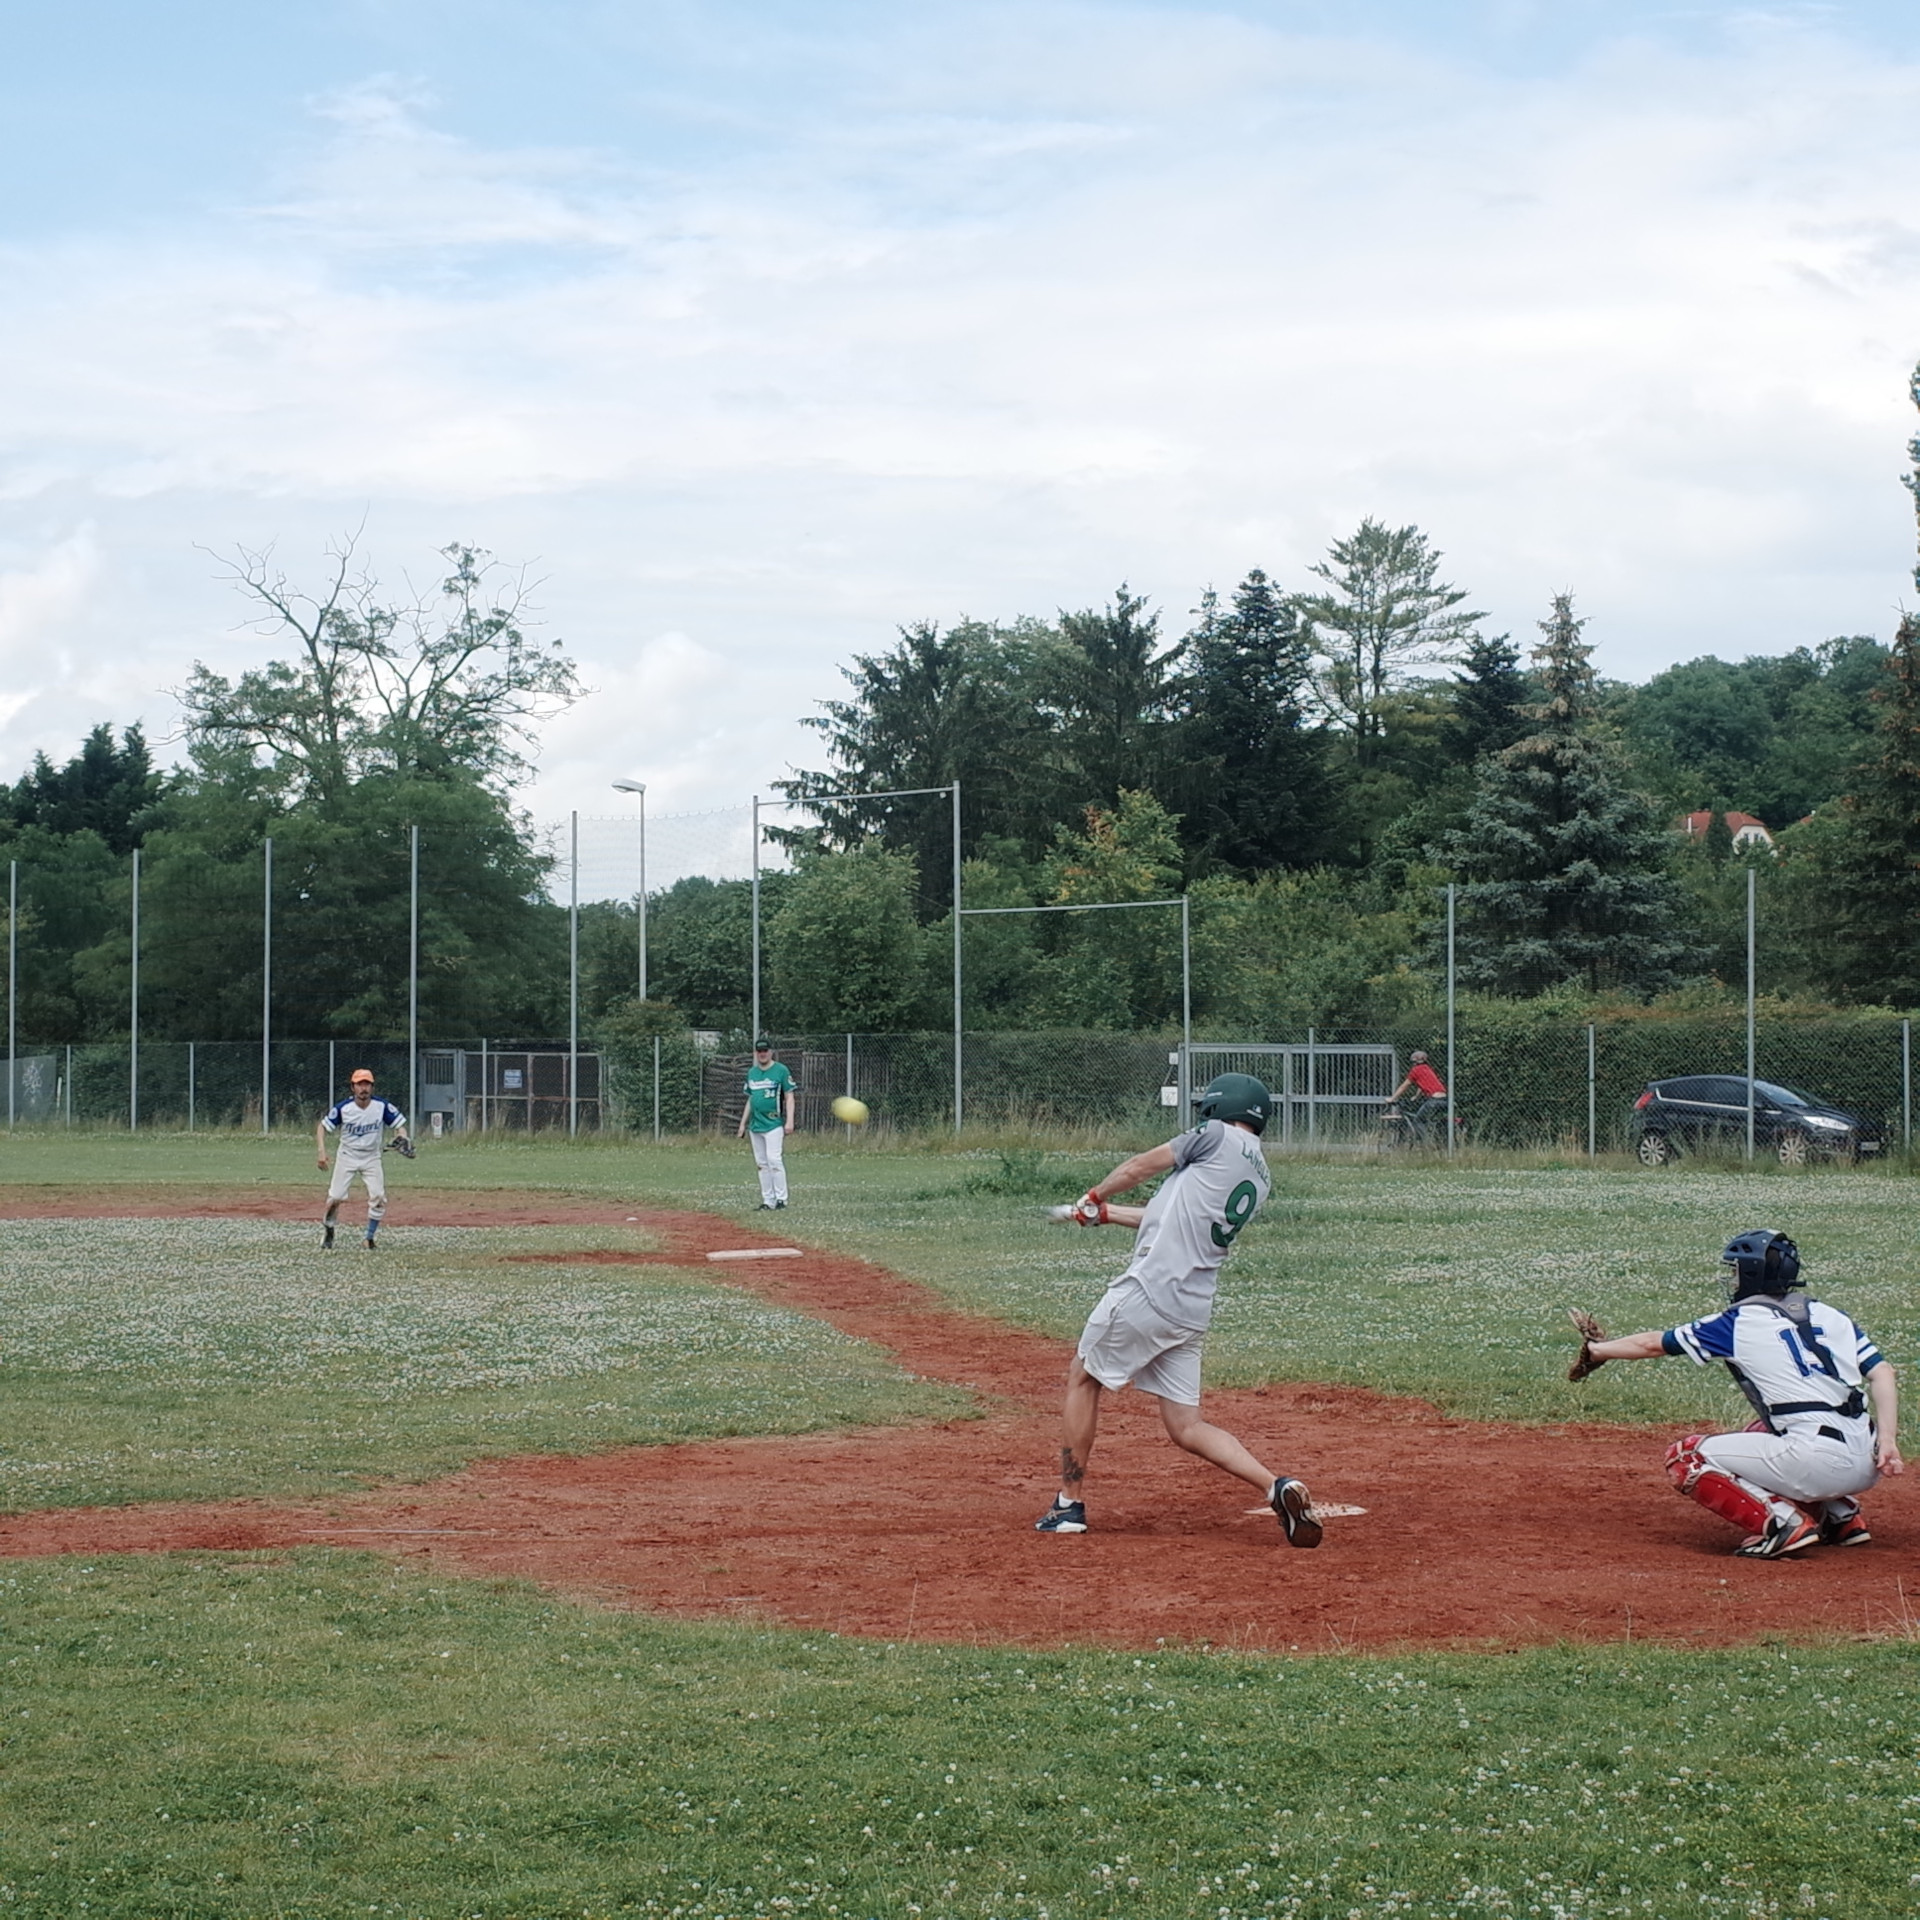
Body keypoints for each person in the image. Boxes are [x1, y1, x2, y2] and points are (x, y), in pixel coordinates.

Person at [1035, 1072, 1322, 1547]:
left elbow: (1140, 1165)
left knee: (1083, 1377)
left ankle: (1068, 1506)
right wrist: (1104, 1216)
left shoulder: (1213, 1135)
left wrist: (1095, 1195)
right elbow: (1164, 1216)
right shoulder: (1259, 1175)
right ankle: (1276, 1486)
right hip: (1189, 1311)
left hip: (1149, 1291)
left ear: (1218, 1108)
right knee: (1187, 1427)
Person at [1571, 1229, 1902, 1559]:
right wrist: (1888, 1440)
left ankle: (1780, 1525)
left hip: (1816, 1461)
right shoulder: (1830, 1315)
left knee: (1686, 1457)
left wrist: (1598, 1350)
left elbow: (1651, 1344)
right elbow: (1882, 1372)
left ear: (1753, 1273)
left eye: (1736, 1270)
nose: (1732, 1278)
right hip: (1869, 1456)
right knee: (1760, 1431)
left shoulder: (1738, 1322)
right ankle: (1841, 1518)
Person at [315, 1069, 411, 1250]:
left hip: (371, 1157)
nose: (363, 1088)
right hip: (347, 1156)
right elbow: (322, 1127)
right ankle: (328, 1228)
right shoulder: (344, 1108)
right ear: (353, 1087)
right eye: (359, 1084)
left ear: (372, 1087)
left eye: (367, 1084)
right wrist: (322, 1152)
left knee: (378, 1197)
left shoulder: (381, 1106)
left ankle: (369, 1237)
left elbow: (400, 1126)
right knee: (335, 1197)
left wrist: (403, 1137)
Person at [736, 1039, 796, 1210]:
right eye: (759, 1051)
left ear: (771, 1052)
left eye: (765, 1050)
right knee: (762, 1163)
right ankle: (767, 1200)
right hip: (756, 1125)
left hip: (773, 1123)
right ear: (756, 1053)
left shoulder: (780, 1070)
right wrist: (742, 1124)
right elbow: (751, 1098)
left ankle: (781, 1199)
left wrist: (789, 1121)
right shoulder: (752, 1073)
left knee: (774, 1160)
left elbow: (790, 1096)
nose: (762, 1054)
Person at [1388, 1049, 1446, 1118]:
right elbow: (1422, 1086)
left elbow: (1404, 1086)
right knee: (1428, 1118)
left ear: (1414, 1062)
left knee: (1419, 1121)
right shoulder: (1428, 1068)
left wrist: (1392, 1098)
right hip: (1445, 1099)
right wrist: (1416, 1096)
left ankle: (1417, 1128)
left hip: (1434, 1100)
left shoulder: (1415, 1070)